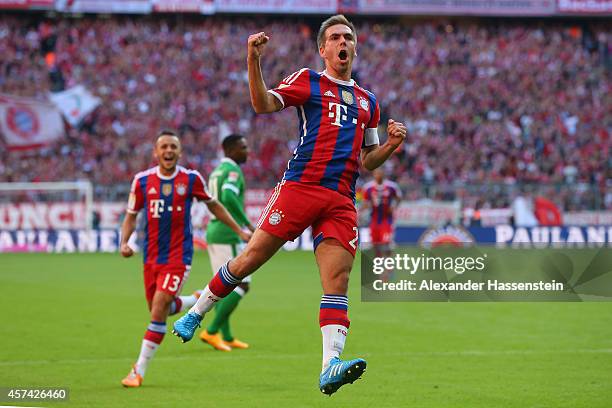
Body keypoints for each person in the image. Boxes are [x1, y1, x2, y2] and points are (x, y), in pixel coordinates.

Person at [173, 15, 407, 396]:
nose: (343, 42)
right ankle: (196, 312)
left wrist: (392, 146)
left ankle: (330, 365)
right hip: (301, 187)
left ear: (355, 46)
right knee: (250, 258)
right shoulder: (308, 81)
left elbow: (367, 160)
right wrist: (254, 59)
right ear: (323, 49)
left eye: (348, 36)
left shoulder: (369, 102)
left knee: (338, 281)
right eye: (335, 37)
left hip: (341, 198)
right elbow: (263, 104)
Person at [119, 129, 251, 388]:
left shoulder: (191, 179)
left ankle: (138, 371)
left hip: (178, 257)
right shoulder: (142, 181)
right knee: (163, 309)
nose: (168, 151)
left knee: (157, 311)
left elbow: (214, 205)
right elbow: (131, 216)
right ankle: (198, 297)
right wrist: (124, 242)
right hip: (151, 258)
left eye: (173, 147)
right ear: (156, 152)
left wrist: (239, 230)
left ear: (179, 152)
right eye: (164, 147)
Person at [199, 134, 255, 351]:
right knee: (242, 284)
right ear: (231, 150)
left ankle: (227, 335)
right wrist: (246, 225)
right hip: (226, 233)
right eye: (243, 147)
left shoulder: (217, 171)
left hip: (215, 231)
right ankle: (211, 331)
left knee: (225, 286)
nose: (247, 151)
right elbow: (228, 196)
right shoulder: (232, 171)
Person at [361, 169, 401, 277]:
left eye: (380, 172)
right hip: (374, 221)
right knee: (375, 245)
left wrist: (393, 207)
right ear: (374, 174)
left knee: (386, 245)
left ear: (383, 174)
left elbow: (398, 198)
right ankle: (378, 269)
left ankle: (389, 270)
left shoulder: (392, 186)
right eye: (376, 173)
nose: (378, 175)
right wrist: (359, 212)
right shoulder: (368, 187)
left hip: (387, 221)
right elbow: (366, 203)